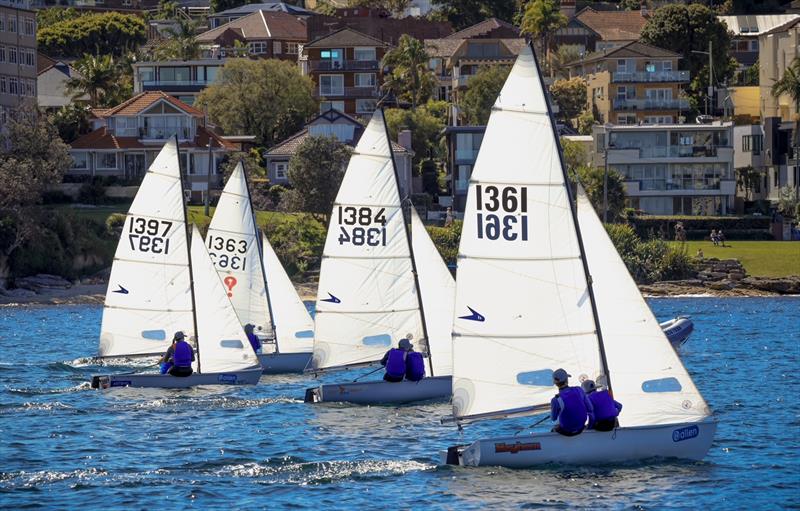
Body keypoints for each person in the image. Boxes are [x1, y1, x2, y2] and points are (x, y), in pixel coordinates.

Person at [550, 368, 594, 436]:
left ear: (555, 383)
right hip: (581, 428)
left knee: (553, 428)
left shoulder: (555, 400)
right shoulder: (579, 390)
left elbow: (553, 418)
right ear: (567, 380)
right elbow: (590, 409)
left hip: (567, 432)